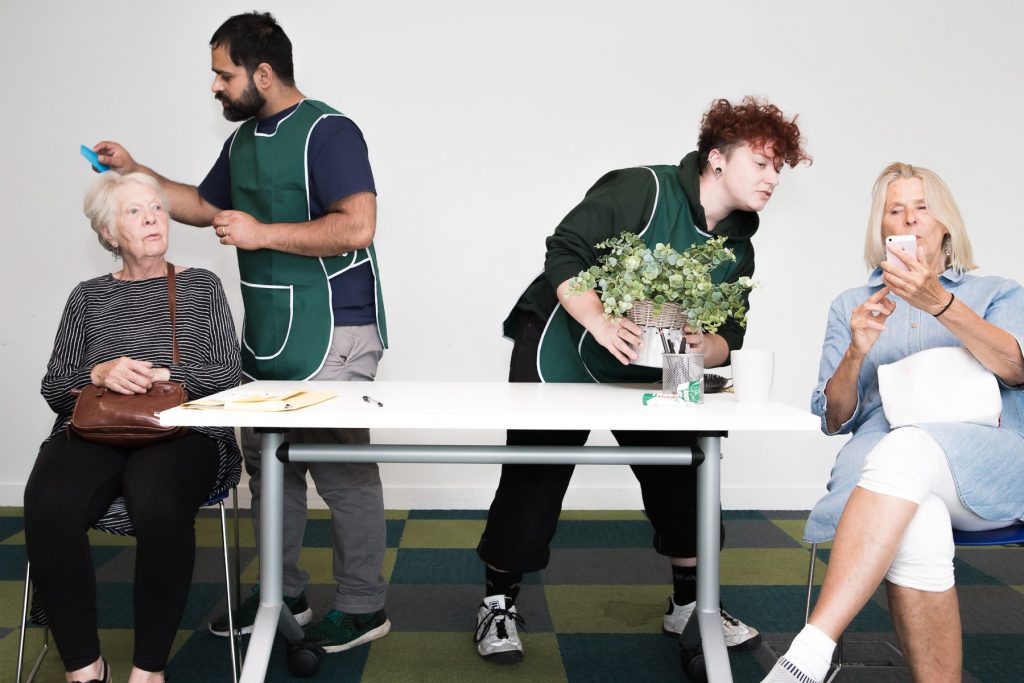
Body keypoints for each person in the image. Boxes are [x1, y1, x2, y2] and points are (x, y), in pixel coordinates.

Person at [91, 11, 391, 652]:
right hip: (269, 332)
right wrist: (134, 171)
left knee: (340, 469)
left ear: (262, 71)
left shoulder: (330, 132)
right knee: (269, 464)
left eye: (223, 74)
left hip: (335, 328)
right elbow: (203, 205)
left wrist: (261, 234)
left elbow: (356, 227)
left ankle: (365, 605)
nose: (215, 87)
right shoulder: (246, 138)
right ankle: (284, 593)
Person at [474, 96, 811, 663]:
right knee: (535, 474)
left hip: (656, 365)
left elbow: (732, 332)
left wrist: (708, 347)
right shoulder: (642, 189)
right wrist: (600, 321)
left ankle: (690, 605)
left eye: (779, 167)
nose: (773, 178)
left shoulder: (739, 245)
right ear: (717, 160)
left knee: (687, 471)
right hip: (567, 344)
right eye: (762, 162)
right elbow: (566, 249)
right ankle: (498, 605)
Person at [763, 163, 1024, 683]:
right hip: (889, 485)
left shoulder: (997, 292)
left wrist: (941, 304)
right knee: (918, 520)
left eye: (922, 207)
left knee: (904, 447)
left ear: (946, 222)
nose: (909, 218)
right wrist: (856, 354)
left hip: (986, 464)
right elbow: (835, 420)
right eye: (895, 209)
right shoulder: (851, 306)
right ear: (883, 228)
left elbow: (1016, 368)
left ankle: (810, 650)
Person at [24, 171, 241, 683]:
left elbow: (229, 375)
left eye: (158, 209)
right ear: (108, 233)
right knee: (48, 499)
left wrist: (162, 376)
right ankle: (85, 668)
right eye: (135, 212)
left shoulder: (199, 285)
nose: (152, 219)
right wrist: (97, 374)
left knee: (157, 498)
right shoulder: (87, 297)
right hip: (95, 432)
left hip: (185, 431)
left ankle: (148, 671)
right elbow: (56, 388)